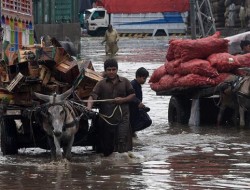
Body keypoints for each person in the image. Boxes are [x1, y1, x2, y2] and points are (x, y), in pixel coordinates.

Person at [87, 58, 135, 156]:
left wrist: (122, 100)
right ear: (105, 71)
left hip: (123, 118)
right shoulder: (101, 84)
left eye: (113, 69)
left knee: (122, 141)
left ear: (117, 70)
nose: (111, 72)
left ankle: (122, 165)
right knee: (107, 148)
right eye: (109, 70)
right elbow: (92, 96)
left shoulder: (125, 81)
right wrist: (89, 108)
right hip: (106, 119)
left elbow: (132, 95)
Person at [129, 67, 152, 137]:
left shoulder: (138, 85)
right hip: (131, 109)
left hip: (136, 109)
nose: (145, 81)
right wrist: (138, 102)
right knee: (146, 121)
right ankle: (131, 131)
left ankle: (132, 131)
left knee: (147, 120)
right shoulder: (132, 84)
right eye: (144, 78)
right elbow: (130, 95)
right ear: (138, 76)